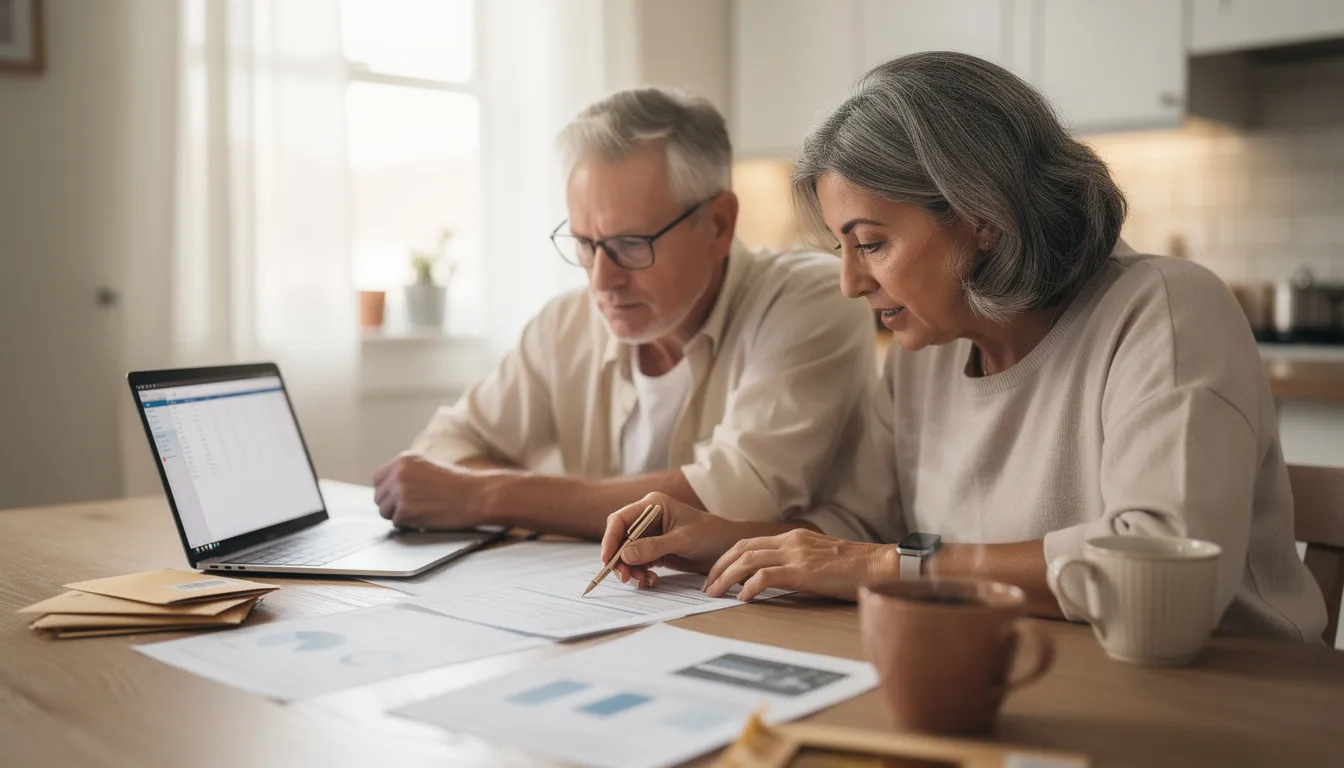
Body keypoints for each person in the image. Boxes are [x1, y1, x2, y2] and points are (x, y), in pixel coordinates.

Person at [600, 52, 1328, 641]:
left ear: (983, 215)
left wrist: (891, 564)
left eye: (871, 244)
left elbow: (1164, 579)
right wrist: (718, 536)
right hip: (1024, 678)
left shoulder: (1163, 311)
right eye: (840, 250)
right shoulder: (926, 352)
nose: (850, 284)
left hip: (1222, 704)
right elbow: (851, 534)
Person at [372, 87, 874, 544]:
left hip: (779, 613)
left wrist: (487, 496)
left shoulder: (813, 299)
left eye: (630, 244)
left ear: (719, 225)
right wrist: (493, 494)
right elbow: (441, 449)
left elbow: (734, 494)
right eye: (586, 245)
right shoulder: (565, 325)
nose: (601, 281)